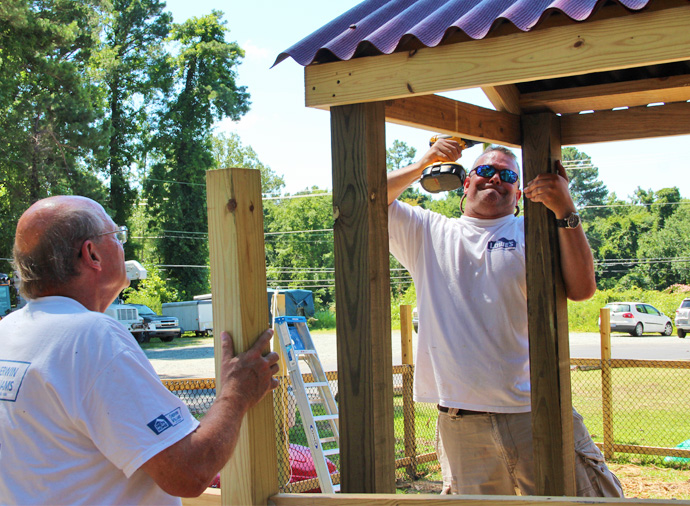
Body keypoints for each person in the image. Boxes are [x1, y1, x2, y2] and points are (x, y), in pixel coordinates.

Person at [0, 195, 280, 505]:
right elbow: (189, 471)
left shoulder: (8, 332)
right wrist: (237, 393)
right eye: (116, 237)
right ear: (91, 253)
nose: (123, 246)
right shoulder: (90, 337)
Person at [387, 140, 623, 497]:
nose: (495, 178)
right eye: (485, 170)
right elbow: (366, 197)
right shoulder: (428, 232)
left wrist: (565, 206)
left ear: (519, 191)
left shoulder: (534, 232)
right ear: (465, 183)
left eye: (508, 175)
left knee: (592, 501)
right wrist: (424, 163)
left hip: (535, 411)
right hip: (460, 422)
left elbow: (581, 288)